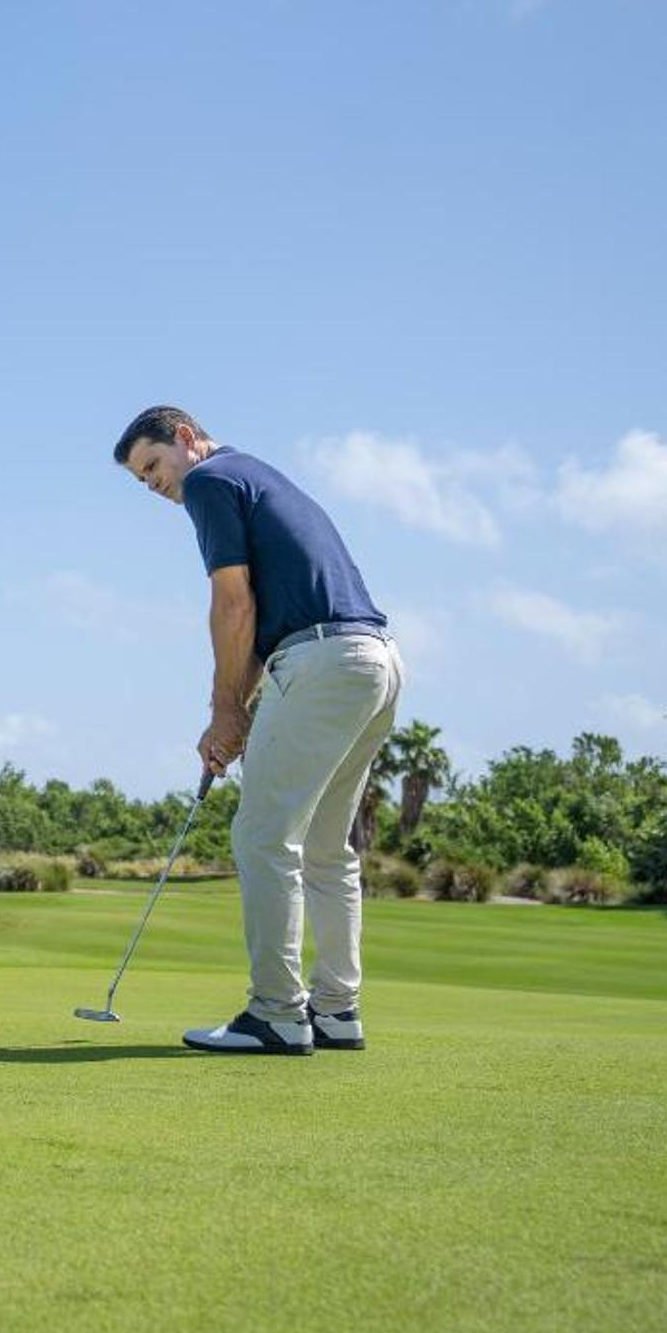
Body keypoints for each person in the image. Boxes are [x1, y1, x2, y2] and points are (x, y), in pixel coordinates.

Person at [114, 407, 403, 1056]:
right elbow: (261, 617)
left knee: (263, 837)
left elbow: (233, 603)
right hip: (374, 662)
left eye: (153, 466)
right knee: (327, 848)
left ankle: (276, 1013)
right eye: (141, 479)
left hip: (323, 663)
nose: (154, 484)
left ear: (185, 438)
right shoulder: (257, 475)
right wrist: (233, 712)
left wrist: (226, 709)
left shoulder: (210, 480)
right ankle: (336, 1012)